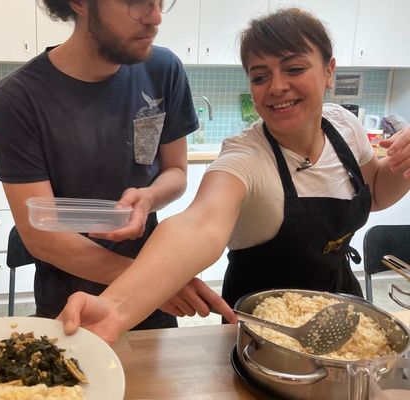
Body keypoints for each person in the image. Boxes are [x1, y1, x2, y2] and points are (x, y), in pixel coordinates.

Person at [58, 7, 410, 343]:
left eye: (294, 68)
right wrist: (115, 308)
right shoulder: (245, 157)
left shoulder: (344, 126)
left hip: (341, 305)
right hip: (269, 330)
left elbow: (376, 191)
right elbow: (197, 225)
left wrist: (405, 166)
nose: (276, 87)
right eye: (260, 76)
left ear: (329, 71)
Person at [0, 0, 229, 330]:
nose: (156, 16)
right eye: (136, 1)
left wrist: (148, 198)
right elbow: (40, 235)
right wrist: (148, 281)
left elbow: (176, 173)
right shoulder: (19, 96)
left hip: (153, 300)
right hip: (72, 304)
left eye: (161, 1)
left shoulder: (163, 70)